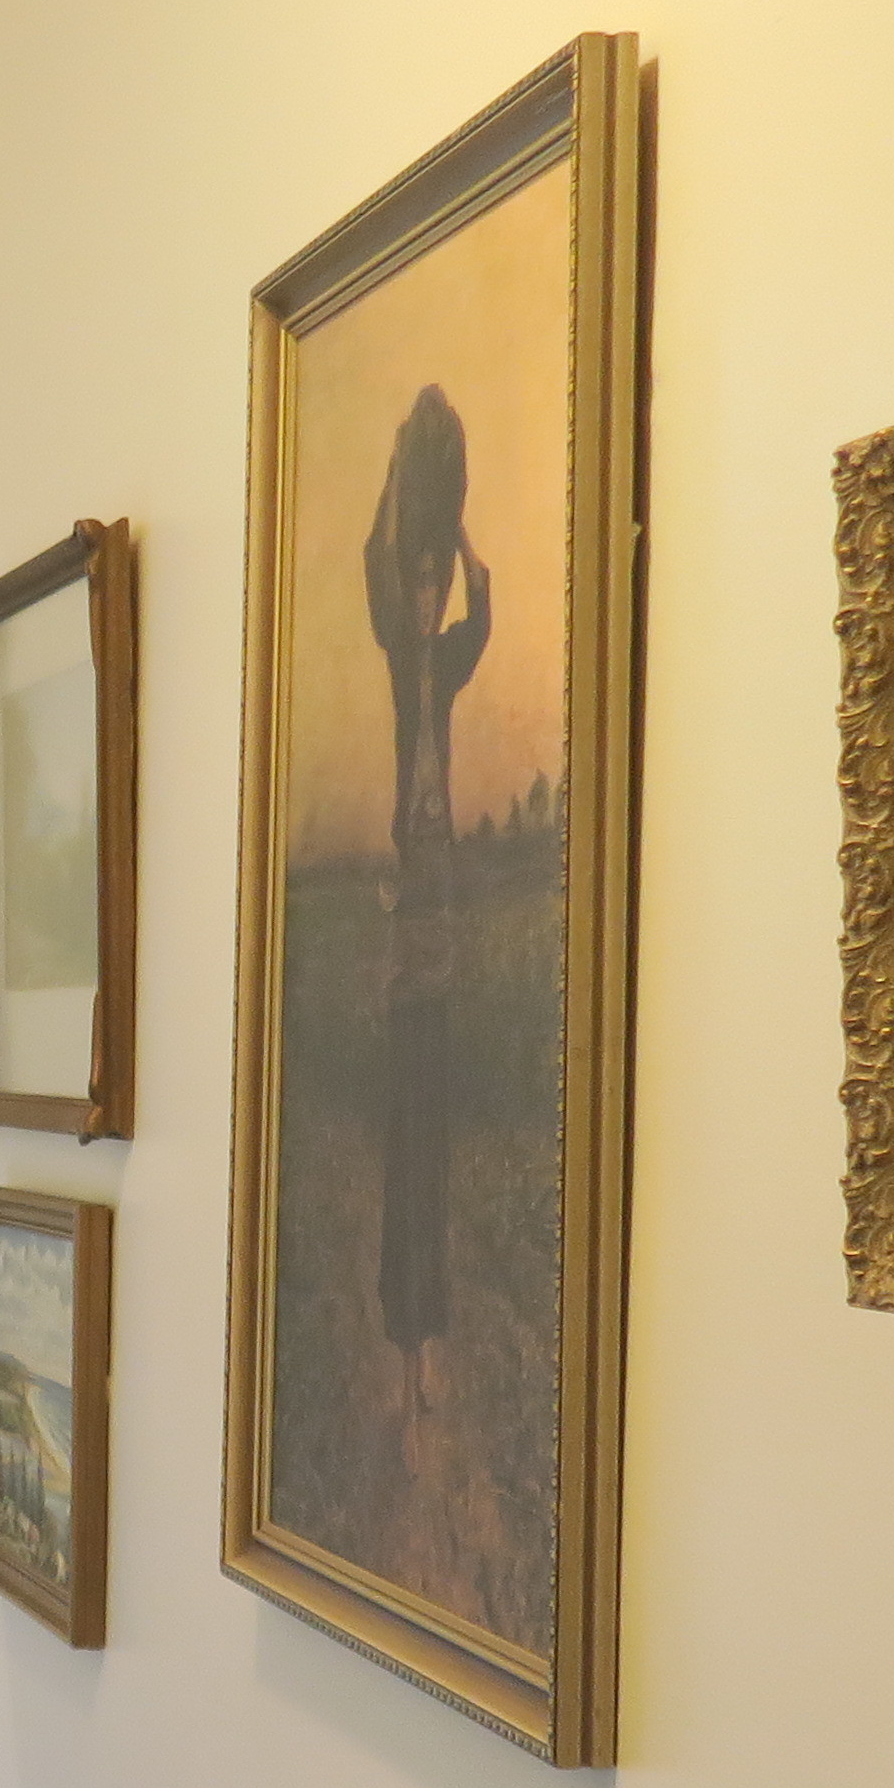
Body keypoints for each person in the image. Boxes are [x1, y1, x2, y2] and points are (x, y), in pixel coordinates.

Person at [360, 386, 491, 1398]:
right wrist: (401, 489)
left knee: (433, 1148)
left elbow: (480, 610)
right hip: (403, 942)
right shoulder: (403, 655)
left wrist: (460, 540)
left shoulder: (442, 661)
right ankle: (404, 1336)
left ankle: (426, 1334)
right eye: (419, 580)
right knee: (406, 1145)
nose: (427, 593)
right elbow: (375, 557)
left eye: (432, 582)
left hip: (436, 938)